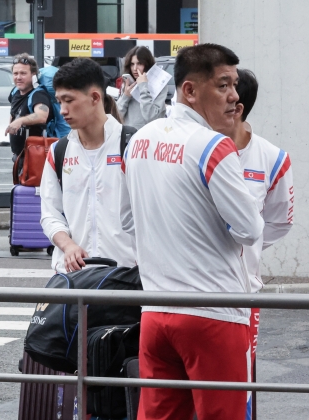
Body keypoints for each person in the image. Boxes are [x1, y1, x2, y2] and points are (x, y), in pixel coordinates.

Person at [119, 44, 264, 420]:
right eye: (223, 85)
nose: (234, 96)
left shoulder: (139, 139)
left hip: (156, 311)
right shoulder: (213, 145)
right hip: (214, 312)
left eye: (233, 85)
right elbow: (250, 229)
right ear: (190, 90)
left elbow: (127, 222)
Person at [218, 68, 294, 419]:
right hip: (187, 291)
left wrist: (246, 248)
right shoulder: (196, 147)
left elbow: (279, 221)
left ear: (237, 105)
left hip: (243, 293)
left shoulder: (272, 158)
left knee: (237, 389)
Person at [39, 58, 135, 273]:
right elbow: (49, 213)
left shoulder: (132, 144)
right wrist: (68, 246)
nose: (62, 110)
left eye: (69, 100)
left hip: (126, 275)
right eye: (59, 101)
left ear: (94, 97)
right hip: (74, 275)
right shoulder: (59, 151)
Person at [6, 53, 52, 158]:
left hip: (35, 156)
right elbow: (13, 113)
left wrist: (20, 121)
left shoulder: (38, 95)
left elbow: (42, 116)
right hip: (18, 154)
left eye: (23, 73)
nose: (18, 77)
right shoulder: (15, 92)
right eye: (15, 73)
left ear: (33, 74)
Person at [116, 46, 168, 130]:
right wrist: (125, 96)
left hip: (149, 136)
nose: (135, 68)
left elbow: (151, 117)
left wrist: (143, 87)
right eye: (132, 64)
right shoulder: (128, 83)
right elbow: (117, 116)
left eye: (139, 64)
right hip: (128, 136)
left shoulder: (159, 85)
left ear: (147, 64)